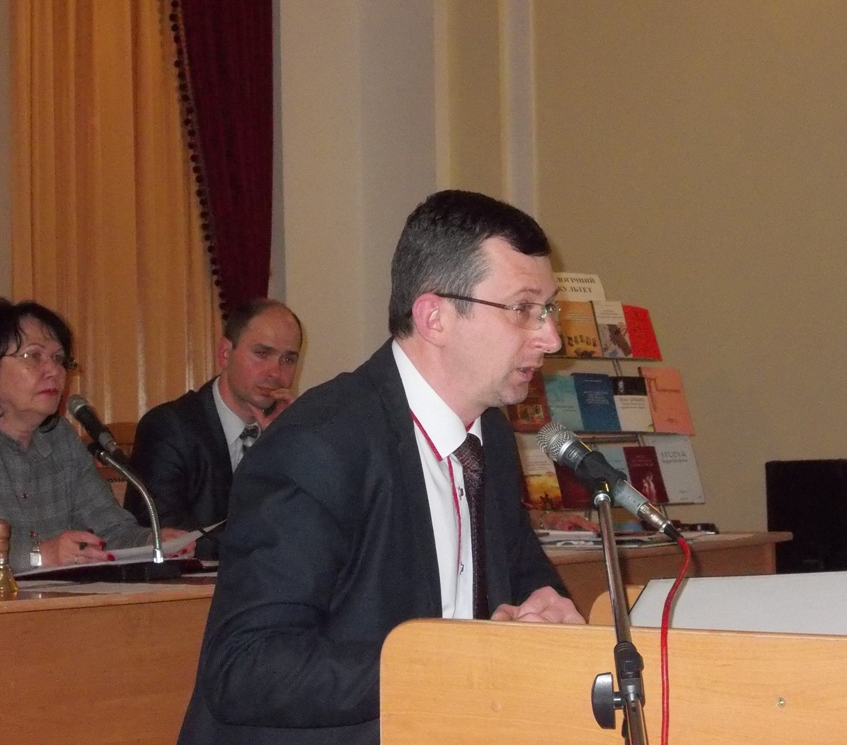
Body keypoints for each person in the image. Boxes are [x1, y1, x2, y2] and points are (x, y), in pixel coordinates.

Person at [178, 190, 584, 745]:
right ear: (434, 317)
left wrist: (549, 614)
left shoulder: (487, 432)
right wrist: (447, 666)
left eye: (549, 309)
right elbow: (245, 667)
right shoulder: (319, 446)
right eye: (522, 309)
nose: (550, 337)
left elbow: (521, 574)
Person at [0, 298, 192, 582]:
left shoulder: (61, 439)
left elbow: (112, 531)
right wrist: (38, 556)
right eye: (34, 356)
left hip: (57, 606)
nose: (54, 371)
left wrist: (155, 543)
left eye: (58, 359)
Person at [125, 298, 302, 559]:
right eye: (262, 354)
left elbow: (311, 526)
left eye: (288, 359)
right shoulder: (169, 428)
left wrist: (284, 443)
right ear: (225, 353)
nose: (275, 372)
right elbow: (166, 535)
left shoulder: (291, 433)